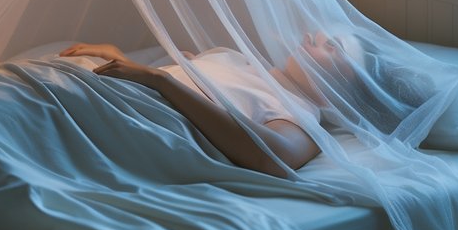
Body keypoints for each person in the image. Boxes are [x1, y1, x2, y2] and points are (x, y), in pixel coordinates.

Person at [59, 42, 323, 178]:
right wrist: (122, 60)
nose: (308, 38)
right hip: (119, 95)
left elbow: (273, 158)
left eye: (332, 46)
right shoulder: (239, 60)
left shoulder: (301, 113)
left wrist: (160, 80)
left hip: (128, 114)